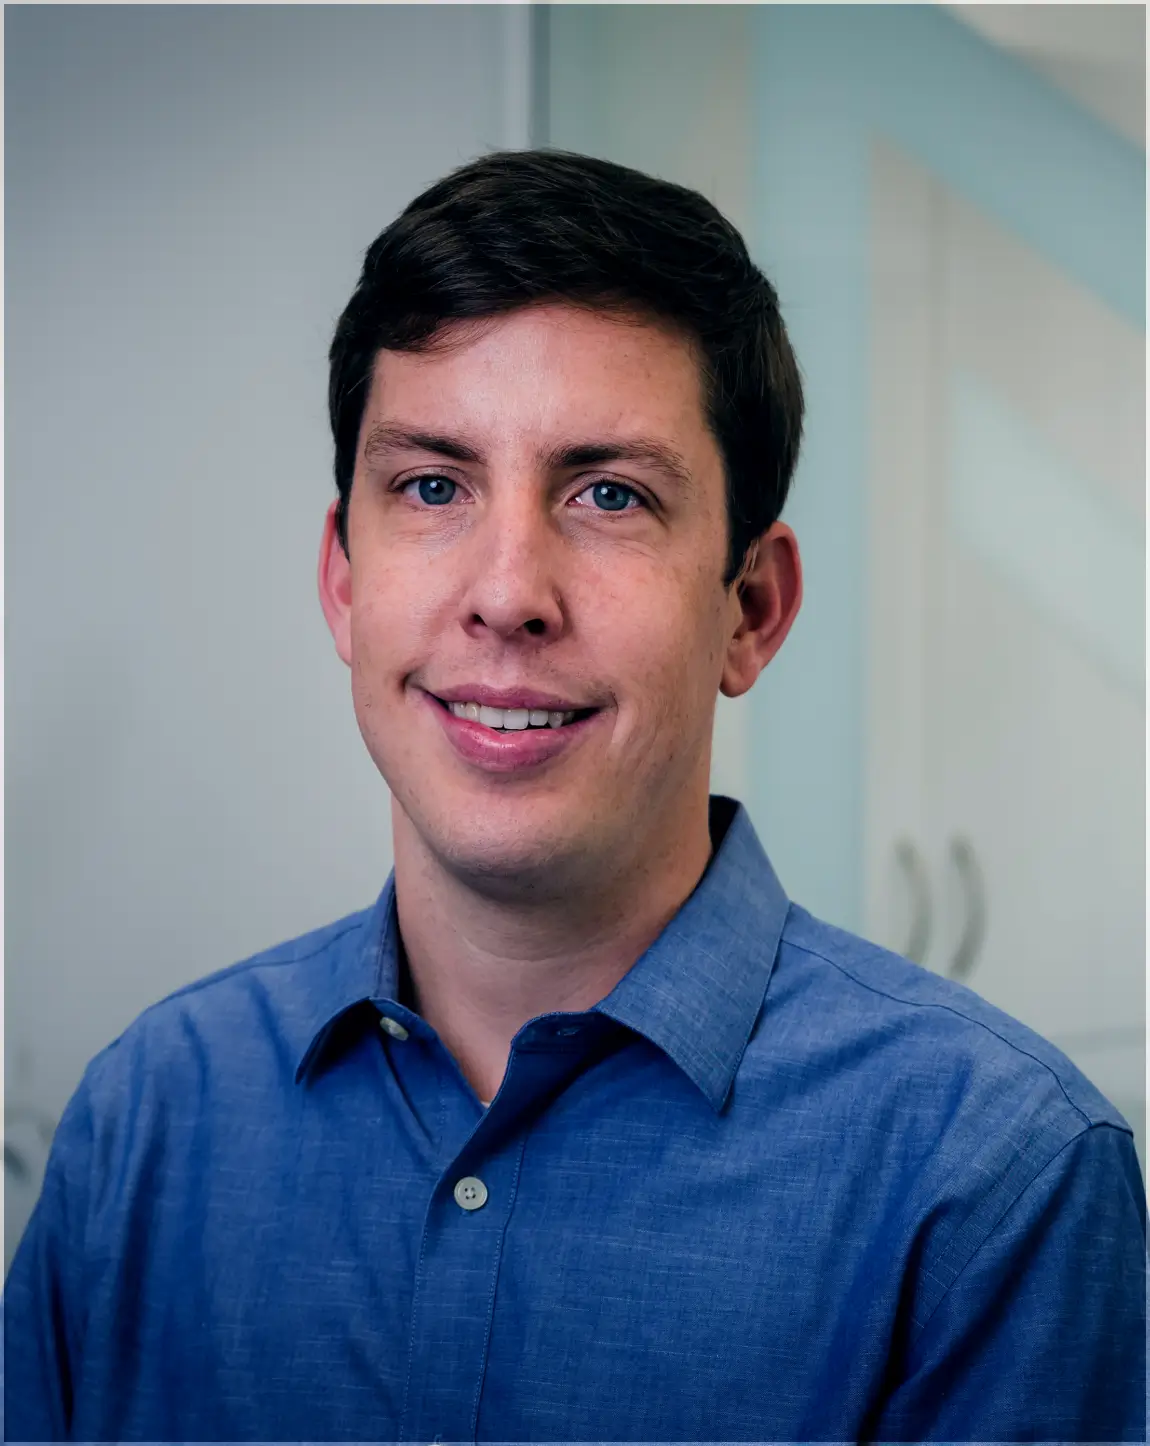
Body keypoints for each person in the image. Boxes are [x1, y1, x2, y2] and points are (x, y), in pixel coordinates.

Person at [3, 149, 1144, 1444]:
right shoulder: (148, 1124)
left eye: (608, 494)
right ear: (342, 582)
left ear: (750, 610)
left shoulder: (989, 1177)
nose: (507, 591)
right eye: (431, 485)